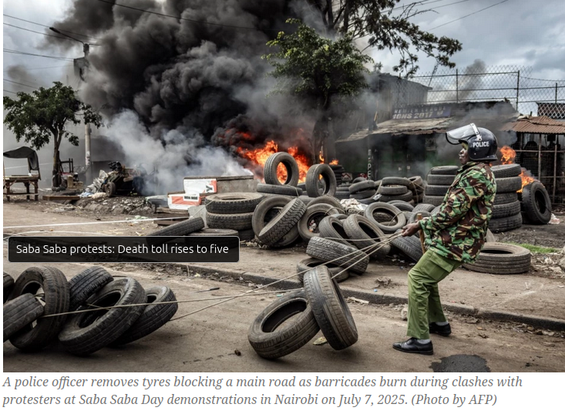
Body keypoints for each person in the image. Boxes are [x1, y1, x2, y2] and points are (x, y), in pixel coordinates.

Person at [393, 123, 498, 355]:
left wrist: (420, 224)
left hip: (456, 242)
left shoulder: (476, 175)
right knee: (426, 279)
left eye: (465, 147)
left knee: (418, 278)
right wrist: (424, 224)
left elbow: (451, 213)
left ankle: (420, 339)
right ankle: (439, 323)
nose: (460, 151)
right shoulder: (477, 172)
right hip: (457, 240)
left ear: (477, 149)